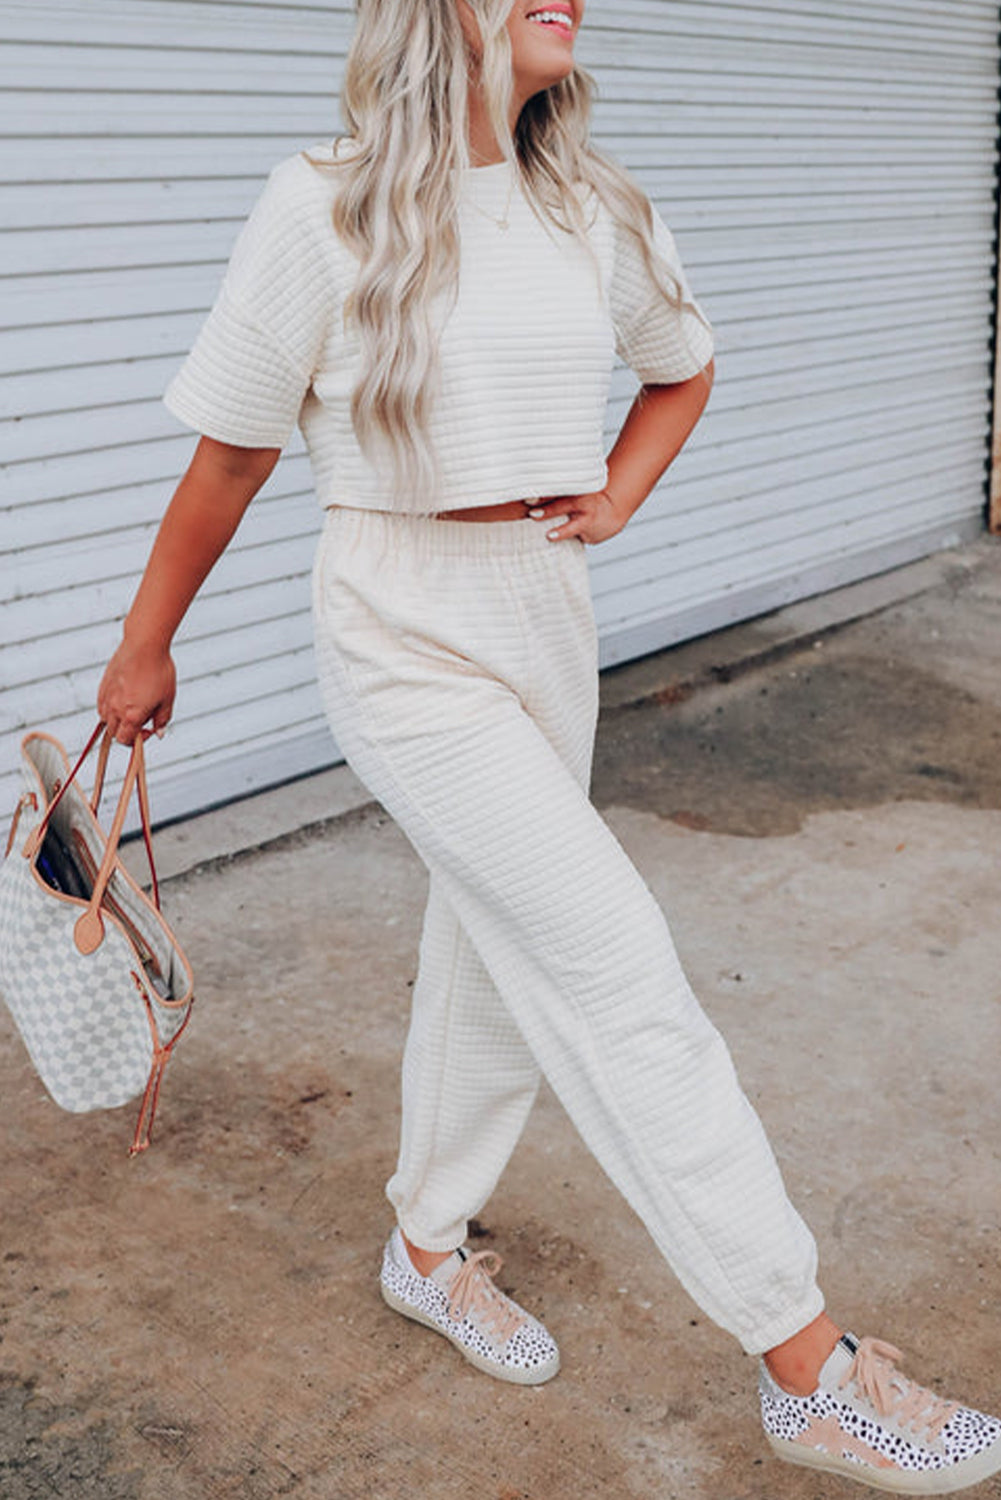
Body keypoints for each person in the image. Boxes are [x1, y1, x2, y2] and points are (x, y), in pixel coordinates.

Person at [97, 1, 1001, 1491]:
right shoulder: (316, 202)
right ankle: (805, 1364)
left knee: (495, 948)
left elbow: (681, 364)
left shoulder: (586, 203)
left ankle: (424, 1243)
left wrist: (618, 498)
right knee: (614, 966)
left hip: (542, 612)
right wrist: (146, 640)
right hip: (397, 628)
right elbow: (236, 447)